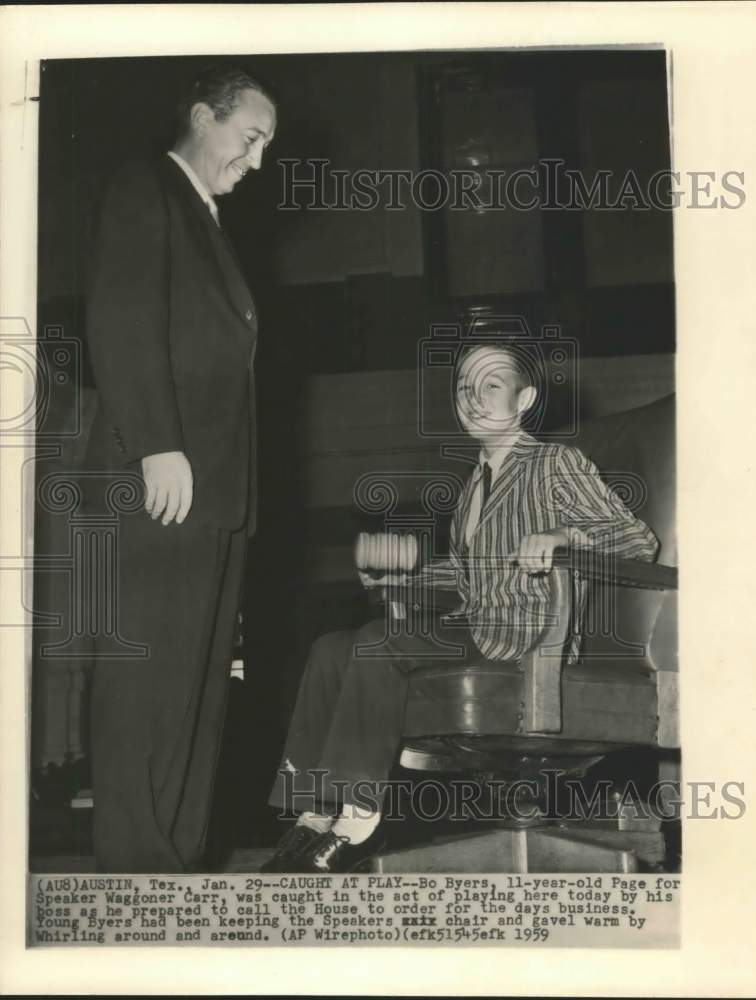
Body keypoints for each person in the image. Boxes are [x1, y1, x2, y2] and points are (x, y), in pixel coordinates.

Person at [264, 340, 660, 873]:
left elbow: (637, 541)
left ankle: (360, 817)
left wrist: (563, 535)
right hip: (475, 626)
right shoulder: (474, 483)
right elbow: (470, 575)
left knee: (377, 644)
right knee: (331, 648)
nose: (473, 398)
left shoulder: (553, 462)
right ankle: (315, 812)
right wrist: (405, 576)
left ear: (524, 400)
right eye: (463, 388)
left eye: (491, 385)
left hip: (526, 637)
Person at [83, 65, 277, 873]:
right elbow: (122, 321)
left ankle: (180, 867)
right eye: (250, 138)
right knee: (149, 682)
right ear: (203, 117)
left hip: (215, 493)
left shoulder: (202, 216)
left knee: (197, 691)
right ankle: (137, 867)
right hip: (164, 479)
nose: (258, 161)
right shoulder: (146, 188)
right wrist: (160, 443)